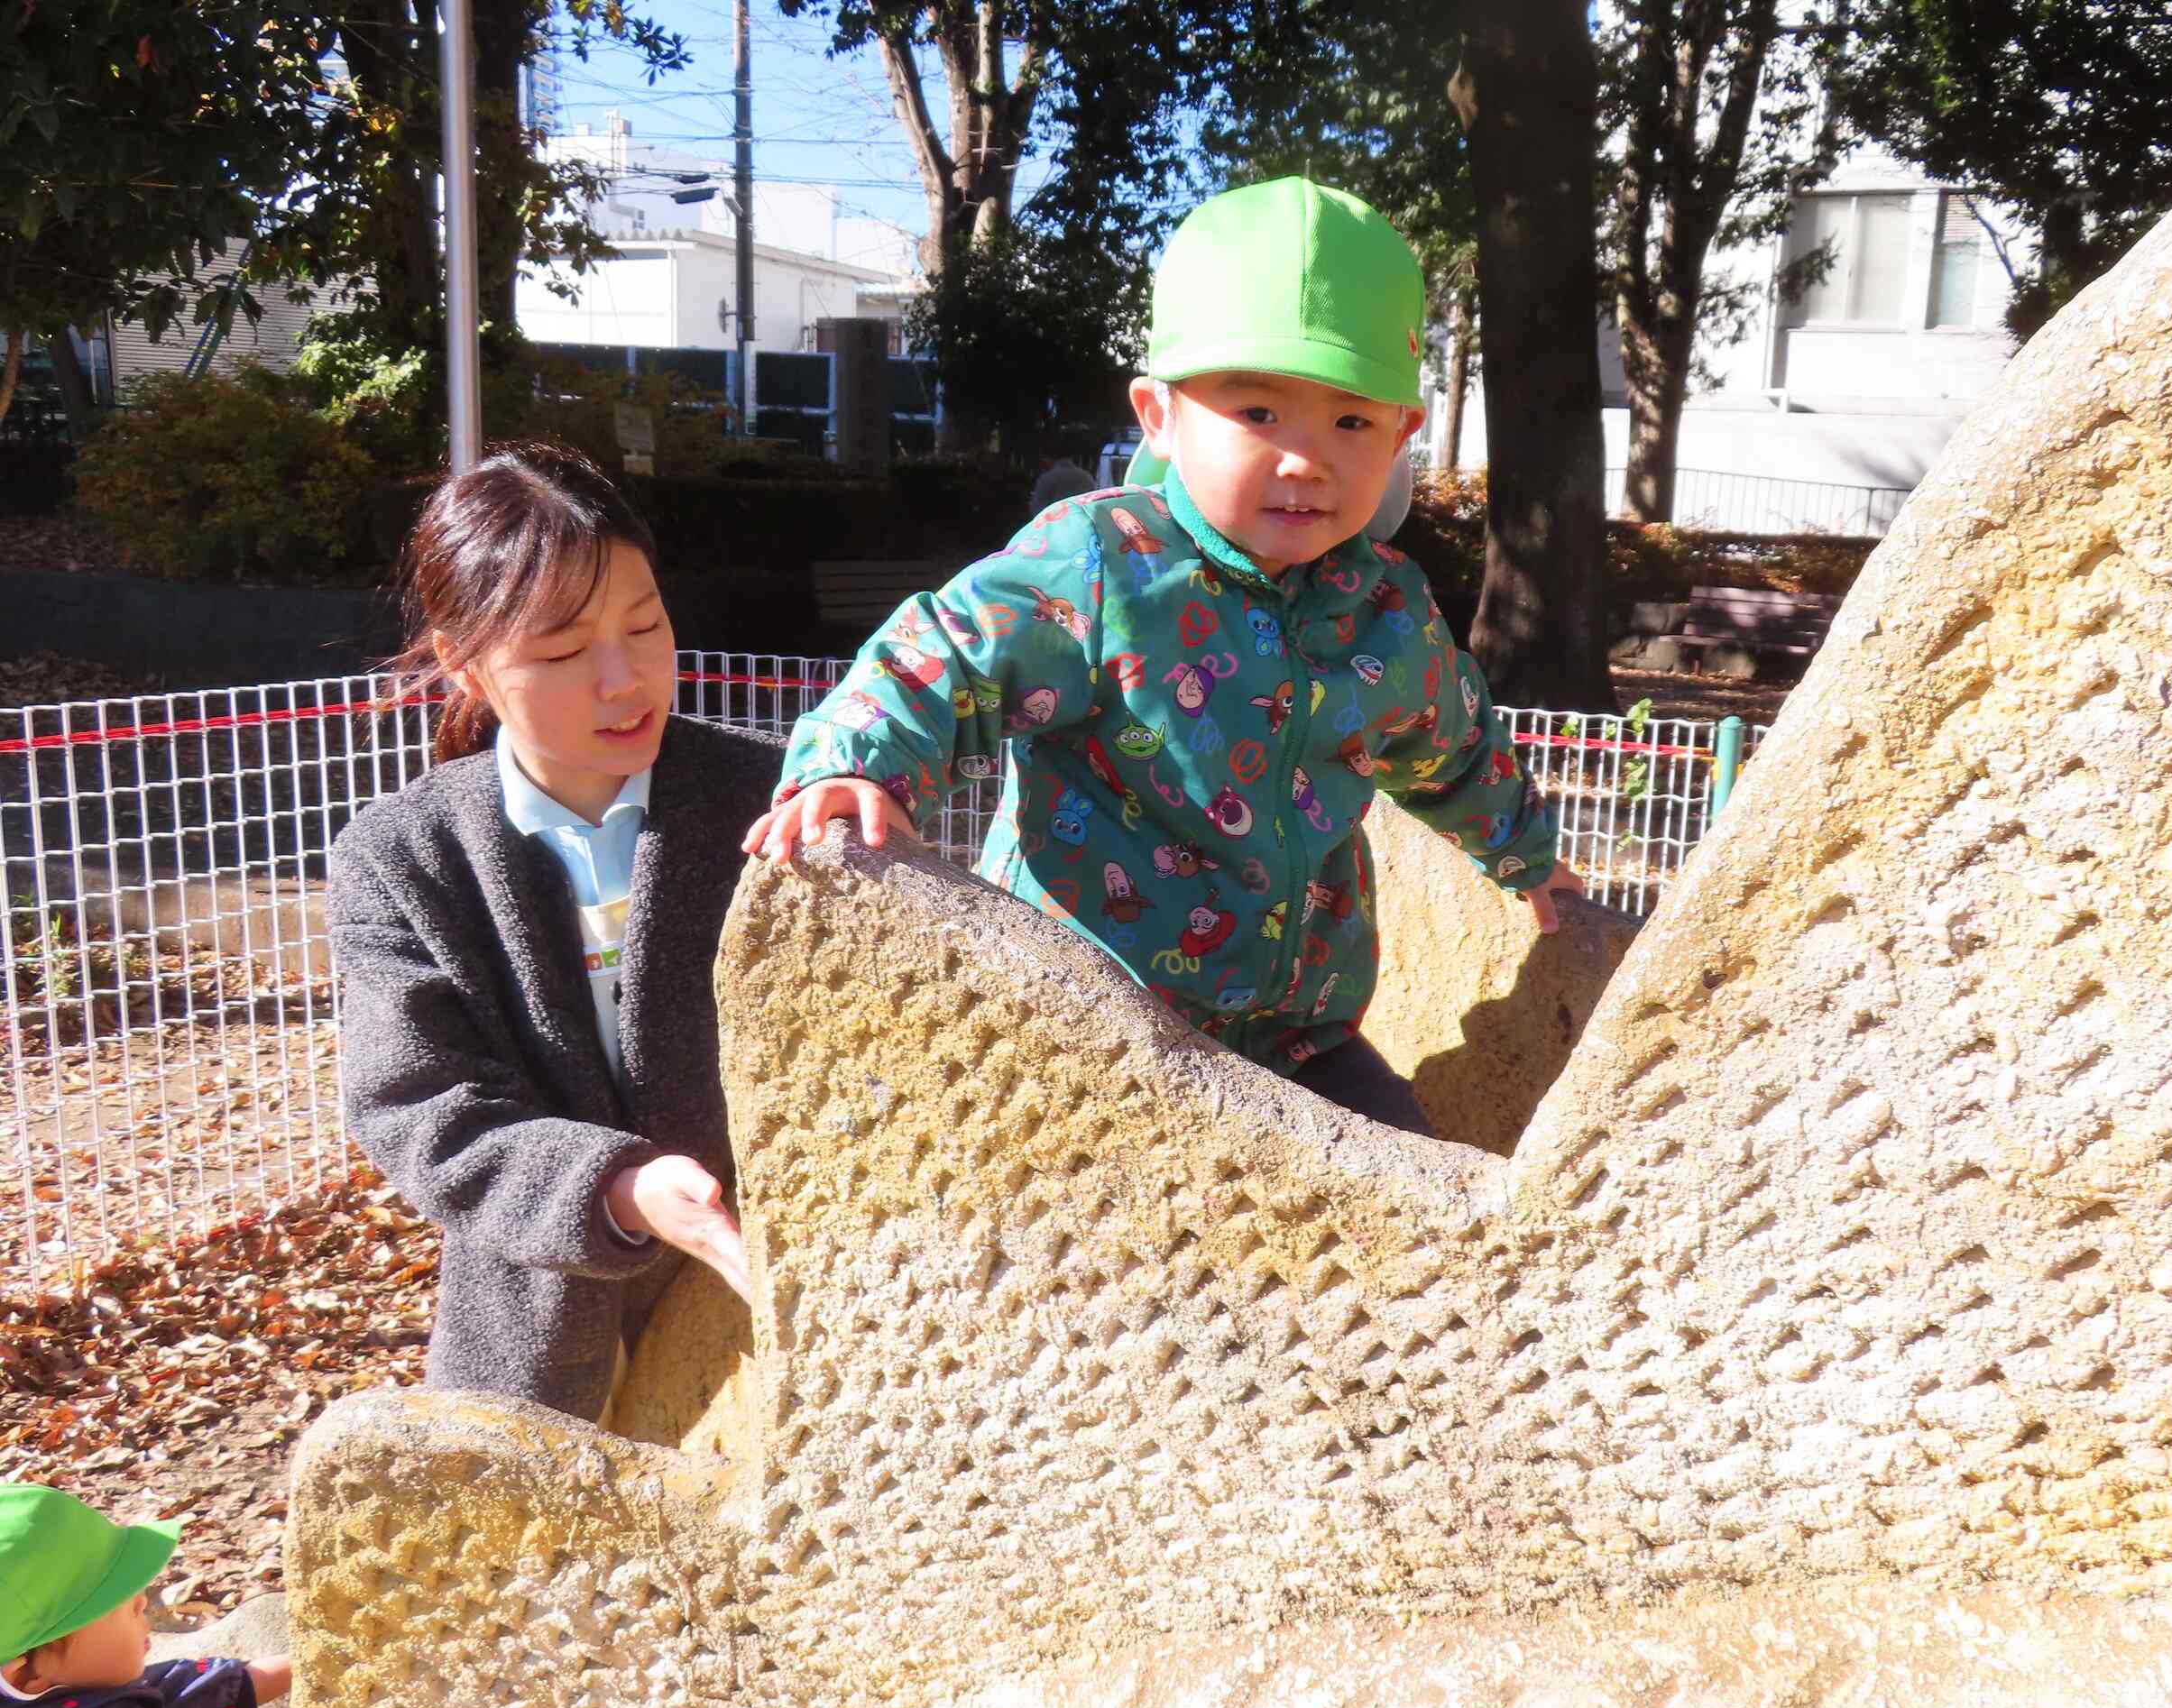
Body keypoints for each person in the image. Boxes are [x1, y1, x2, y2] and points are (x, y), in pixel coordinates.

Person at [745, 178, 1582, 1134]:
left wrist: (1526, 855)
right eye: (1258, 413)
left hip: (1296, 1032)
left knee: (1409, 1174)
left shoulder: (1388, 607)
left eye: (1350, 421)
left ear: (1403, 432)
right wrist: (861, 766)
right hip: (1082, 1017)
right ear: (1158, 414)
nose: (1305, 458)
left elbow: (1452, 745)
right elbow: (948, 650)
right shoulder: (1103, 562)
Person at [330, 443, 779, 1423]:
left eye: (647, 623)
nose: (625, 679)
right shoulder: (403, 858)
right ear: (463, 661)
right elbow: (423, 1109)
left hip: (764, 1320)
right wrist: (618, 1187)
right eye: (565, 651)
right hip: (531, 1352)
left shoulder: (767, 801)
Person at [0, 1484, 290, 1708]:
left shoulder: (86, 1684)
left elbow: (196, 1690)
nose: (141, 1601)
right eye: (113, 1603)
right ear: (25, 1674)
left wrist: (304, 1663)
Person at [1029, 445, 1099, 518]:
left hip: (1057, 522)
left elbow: (1038, 509)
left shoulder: (1047, 478)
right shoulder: (1086, 476)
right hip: (1082, 519)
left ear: (1048, 459)